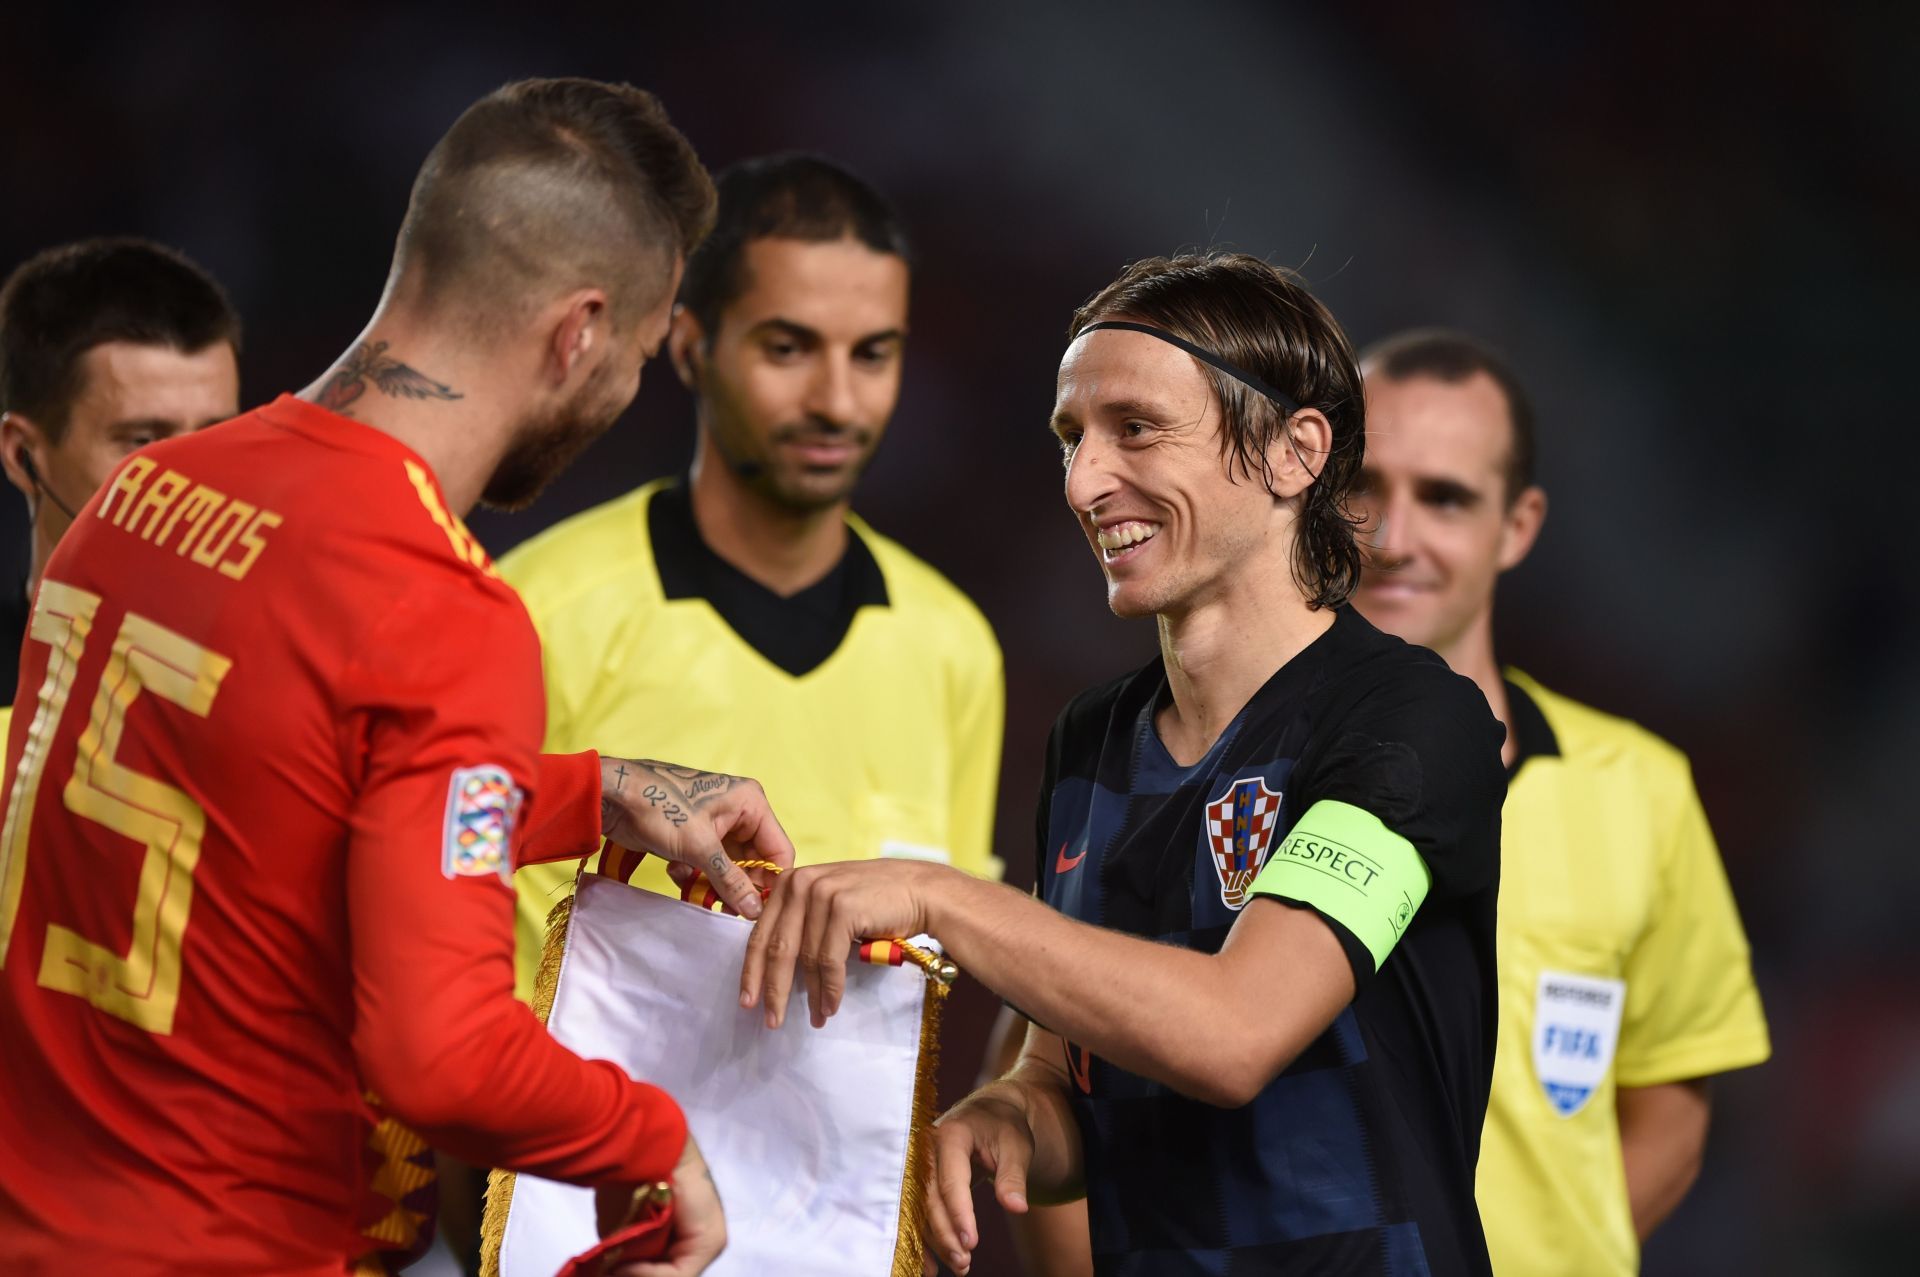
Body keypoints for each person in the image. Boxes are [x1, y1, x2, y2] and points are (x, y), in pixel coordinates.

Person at [0, 77, 793, 1277]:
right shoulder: (438, 605)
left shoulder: (139, 498)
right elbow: (444, 1055)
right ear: (578, 332)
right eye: (635, 355)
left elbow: (269, 785)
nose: (626, 393)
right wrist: (657, 1135)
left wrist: (587, 792)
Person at [740, 252, 1508, 1276]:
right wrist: (1011, 1112)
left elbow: (1235, 1033)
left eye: (1134, 429)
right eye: (1070, 437)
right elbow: (1074, 1074)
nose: (1083, 480)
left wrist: (937, 897)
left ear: (1295, 452)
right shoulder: (1092, 740)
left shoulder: (1410, 718)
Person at [501, 153, 1003, 998]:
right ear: (691, 345)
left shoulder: (954, 647)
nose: (838, 400)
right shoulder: (535, 610)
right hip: (570, 1133)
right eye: (788, 347)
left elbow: (937, 977)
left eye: (873, 354)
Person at [1349, 329, 1770, 1277]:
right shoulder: (1216, 761)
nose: (1392, 534)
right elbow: (1074, 1070)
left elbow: (1670, 1104)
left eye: (1445, 496)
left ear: (1520, 524)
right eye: (1362, 484)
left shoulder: (1640, 789)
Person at [0, 237, 242, 739]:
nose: (193, 485)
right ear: (23, 456)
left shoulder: (291, 686)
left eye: (219, 438)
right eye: (143, 442)